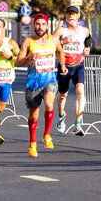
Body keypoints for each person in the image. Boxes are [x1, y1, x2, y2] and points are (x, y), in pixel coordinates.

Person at [16, 13, 68, 158]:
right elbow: (17, 62)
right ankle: (32, 143)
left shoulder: (53, 40)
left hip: (49, 80)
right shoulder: (28, 41)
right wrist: (28, 58)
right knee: (33, 116)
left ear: (47, 25)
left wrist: (62, 65)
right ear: (34, 25)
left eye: (43, 24)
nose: (40, 27)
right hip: (33, 83)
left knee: (50, 104)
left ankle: (47, 135)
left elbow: (60, 52)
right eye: (37, 24)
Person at [54, 5, 92, 136]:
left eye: (74, 14)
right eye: (69, 14)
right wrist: (63, 42)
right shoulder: (60, 30)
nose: (71, 16)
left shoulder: (84, 30)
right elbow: (50, 44)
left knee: (80, 91)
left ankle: (78, 123)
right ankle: (61, 115)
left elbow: (89, 38)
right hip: (64, 67)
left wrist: (88, 47)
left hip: (78, 66)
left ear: (78, 16)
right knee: (63, 94)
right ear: (66, 16)